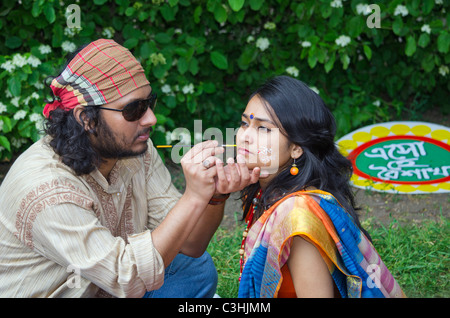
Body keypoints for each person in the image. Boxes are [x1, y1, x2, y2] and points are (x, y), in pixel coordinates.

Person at [0, 39, 261, 297]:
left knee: (195, 268)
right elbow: (126, 279)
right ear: (86, 119)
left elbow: (190, 243)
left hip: (108, 288)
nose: (151, 118)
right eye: (133, 109)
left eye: (149, 103)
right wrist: (192, 197)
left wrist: (213, 196)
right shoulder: (47, 189)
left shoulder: (134, 152)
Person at [236, 76, 405, 298]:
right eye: (244, 124)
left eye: (263, 129)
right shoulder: (263, 191)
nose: (245, 136)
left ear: (296, 148)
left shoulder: (298, 220)